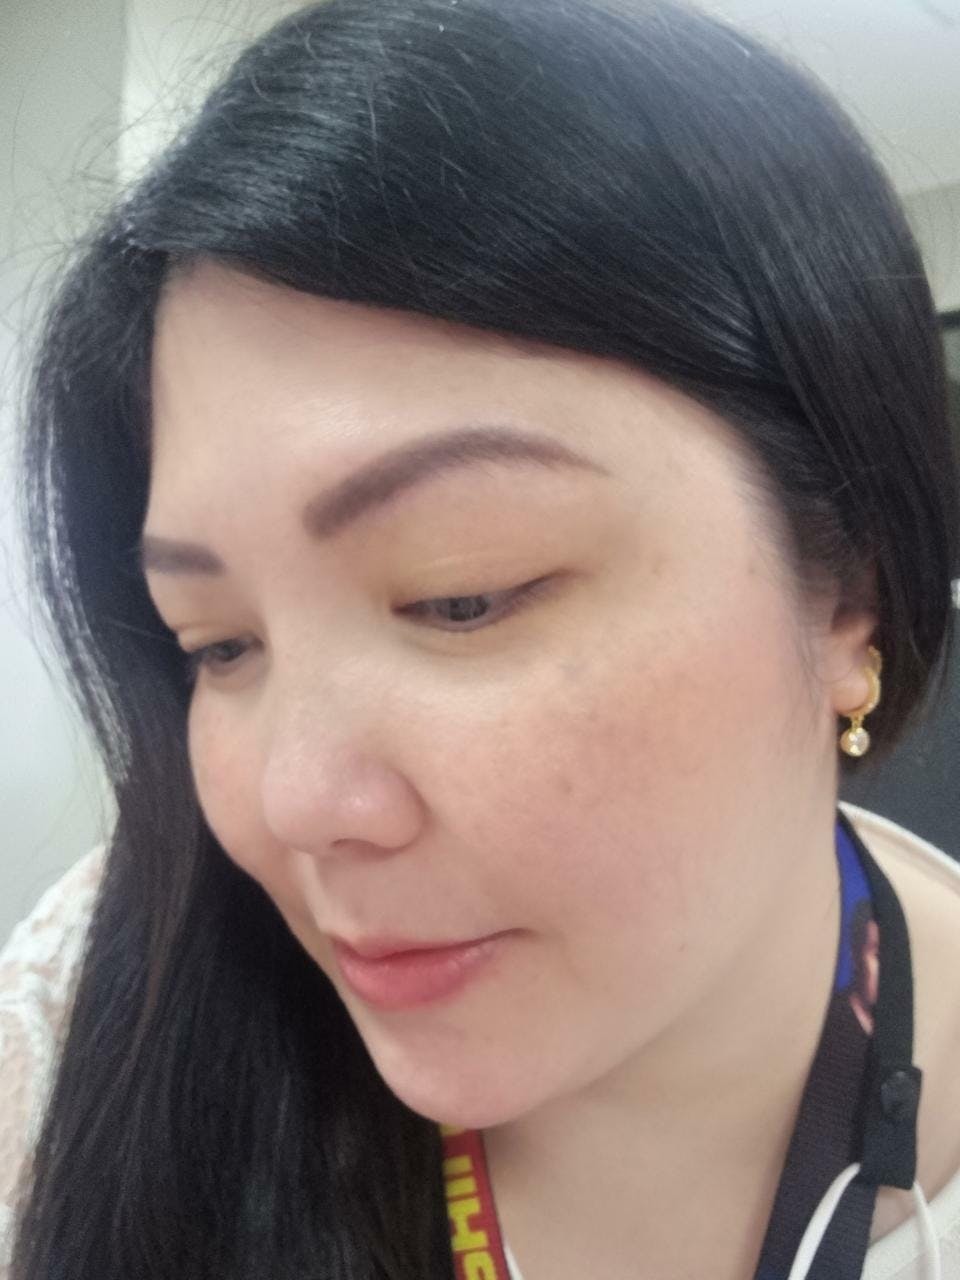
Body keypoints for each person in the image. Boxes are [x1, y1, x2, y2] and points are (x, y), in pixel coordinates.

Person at [1, 0, 958, 1277]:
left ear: (850, 592)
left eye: (463, 595)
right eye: (217, 644)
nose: (295, 805)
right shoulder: (94, 994)